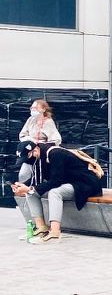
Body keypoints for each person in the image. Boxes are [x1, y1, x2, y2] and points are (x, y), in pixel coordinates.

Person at [11, 141, 103, 243]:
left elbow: (56, 180)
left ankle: (54, 232)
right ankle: (41, 228)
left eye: (28, 157)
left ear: (35, 150)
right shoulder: (38, 157)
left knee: (54, 192)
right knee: (31, 192)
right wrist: (23, 186)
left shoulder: (55, 154)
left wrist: (30, 189)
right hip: (68, 182)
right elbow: (36, 179)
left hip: (84, 184)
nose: (28, 161)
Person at [14, 100, 61, 241]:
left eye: (35, 107)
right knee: (23, 175)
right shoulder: (30, 120)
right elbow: (22, 135)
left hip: (41, 152)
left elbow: (56, 140)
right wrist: (29, 139)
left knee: (40, 185)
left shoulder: (48, 122)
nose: (32, 109)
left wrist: (39, 144)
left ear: (43, 109)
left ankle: (48, 227)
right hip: (29, 152)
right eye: (31, 107)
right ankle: (33, 218)